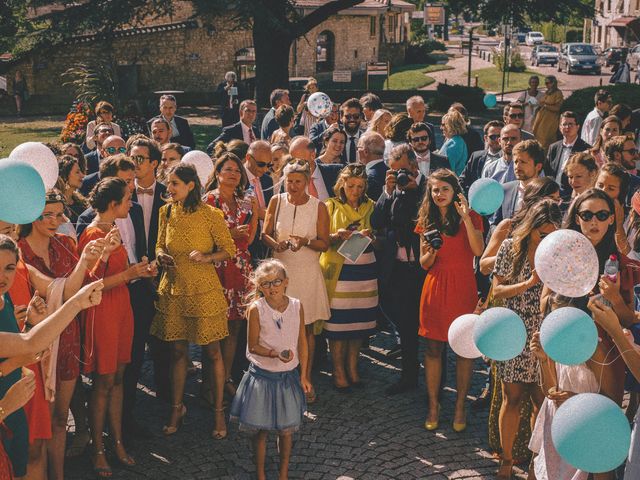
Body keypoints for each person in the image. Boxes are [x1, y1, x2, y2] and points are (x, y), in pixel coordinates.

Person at [0, 234, 104, 480]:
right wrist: (77, 303)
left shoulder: (4, 299)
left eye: (9, 268)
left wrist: (30, 327)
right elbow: (29, 343)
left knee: (20, 463)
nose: (2, 276)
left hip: (13, 404)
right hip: (7, 404)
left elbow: (21, 346)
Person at [79, 177, 155, 477]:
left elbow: (119, 272)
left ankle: (118, 440)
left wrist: (139, 271)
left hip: (122, 307)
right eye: (127, 199)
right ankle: (98, 448)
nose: (132, 203)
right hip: (104, 311)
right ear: (113, 204)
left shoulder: (112, 228)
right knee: (103, 381)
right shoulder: (92, 234)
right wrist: (128, 274)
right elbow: (88, 283)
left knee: (120, 377)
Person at [152, 165, 235, 439]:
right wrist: (162, 255)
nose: (170, 188)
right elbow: (160, 244)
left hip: (203, 289)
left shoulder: (210, 214)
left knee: (212, 353)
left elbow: (228, 250)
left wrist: (208, 257)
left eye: (174, 183)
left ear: (190, 185)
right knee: (177, 352)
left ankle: (219, 412)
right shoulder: (166, 211)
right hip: (175, 288)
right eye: (169, 183)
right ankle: (177, 408)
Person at [15, 191, 90, 480]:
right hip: (37, 346)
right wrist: (85, 263)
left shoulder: (66, 245)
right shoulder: (18, 252)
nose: (56, 221)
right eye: (48, 215)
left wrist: (86, 260)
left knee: (60, 419)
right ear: (32, 216)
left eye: (60, 215)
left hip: (68, 337)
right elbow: (62, 290)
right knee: (41, 426)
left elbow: (76, 293)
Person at [492, 199, 562, 479]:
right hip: (515, 329)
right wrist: (529, 283)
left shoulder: (559, 252)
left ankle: (536, 463)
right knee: (512, 397)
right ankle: (506, 459)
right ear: (531, 227)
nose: (545, 239)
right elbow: (497, 291)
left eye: (551, 233)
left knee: (540, 401)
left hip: (547, 331)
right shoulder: (511, 248)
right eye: (541, 233)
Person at [229, 260, 311, 480]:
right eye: (265, 284)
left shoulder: (296, 306)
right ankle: (261, 474)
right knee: (262, 430)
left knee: (286, 431)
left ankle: (283, 474)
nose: (272, 287)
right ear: (259, 286)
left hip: (288, 378)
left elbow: (302, 341)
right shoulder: (257, 309)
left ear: (286, 282)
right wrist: (275, 354)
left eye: (276, 282)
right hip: (262, 378)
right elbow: (253, 346)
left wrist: (304, 375)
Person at [416, 169, 484, 431]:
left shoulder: (473, 215)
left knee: (463, 351)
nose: (439, 194)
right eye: (434, 190)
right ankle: (434, 404)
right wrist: (431, 253)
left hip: (463, 288)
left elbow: (478, 251)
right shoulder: (427, 218)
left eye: (444, 189)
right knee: (433, 349)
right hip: (435, 287)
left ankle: (459, 406)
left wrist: (466, 218)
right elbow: (423, 264)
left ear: (455, 191)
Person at [261, 160, 330, 403]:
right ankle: (278, 377)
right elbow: (265, 233)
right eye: (289, 181)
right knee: (276, 326)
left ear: (307, 182)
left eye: (297, 181)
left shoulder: (319, 207)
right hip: (281, 273)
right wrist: (274, 243)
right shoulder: (276, 201)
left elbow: (324, 243)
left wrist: (305, 242)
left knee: (306, 329)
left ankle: (305, 379)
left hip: (306, 272)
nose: (292, 185)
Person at [371, 144, 426, 395]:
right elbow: (377, 221)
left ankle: (426, 373)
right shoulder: (393, 191)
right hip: (397, 268)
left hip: (422, 267)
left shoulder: (428, 188)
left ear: (414, 165)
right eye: (394, 171)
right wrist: (388, 190)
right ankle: (409, 374)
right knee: (403, 322)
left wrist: (414, 192)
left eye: (403, 170)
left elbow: (421, 219)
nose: (400, 175)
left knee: (424, 323)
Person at [528, 295, 601, 480]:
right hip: (555, 423)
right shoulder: (556, 345)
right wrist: (543, 360)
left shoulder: (596, 349)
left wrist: (575, 400)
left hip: (584, 430)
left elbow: (613, 400)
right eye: (553, 317)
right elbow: (549, 391)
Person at [204, 153, 258, 397]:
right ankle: (211, 381)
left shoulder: (247, 200)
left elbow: (251, 236)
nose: (233, 173)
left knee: (235, 327)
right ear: (217, 173)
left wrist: (240, 237)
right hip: (217, 268)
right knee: (216, 328)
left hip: (241, 267)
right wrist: (230, 236)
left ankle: (226, 377)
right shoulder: (209, 201)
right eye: (228, 169)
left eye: (237, 170)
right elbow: (204, 238)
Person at [319, 164, 377, 390]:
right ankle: (338, 370)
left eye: (360, 187)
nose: (355, 190)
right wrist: (338, 235)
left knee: (358, 324)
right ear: (342, 184)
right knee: (338, 326)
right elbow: (321, 238)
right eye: (351, 185)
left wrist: (370, 235)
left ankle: (353, 367)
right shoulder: (330, 206)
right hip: (339, 272)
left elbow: (380, 235)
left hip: (364, 273)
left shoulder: (371, 206)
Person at [493, 139, 546, 226]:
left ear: (538, 166)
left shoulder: (548, 192)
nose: (517, 167)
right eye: (516, 162)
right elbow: (495, 223)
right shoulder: (505, 189)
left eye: (523, 162)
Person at [288, 136, 342, 201]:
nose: (295, 166)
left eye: (300, 161)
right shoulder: (288, 181)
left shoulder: (335, 172)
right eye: (292, 161)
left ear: (312, 155)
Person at [459, 120, 504, 195]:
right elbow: (462, 180)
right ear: (485, 138)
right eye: (492, 137)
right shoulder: (476, 157)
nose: (497, 139)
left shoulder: (510, 158)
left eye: (499, 136)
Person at [604, 134, 640, 204]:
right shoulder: (597, 180)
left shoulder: (637, 183)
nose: (637, 156)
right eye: (632, 152)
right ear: (617, 155)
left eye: (636, 152)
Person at [532, 76, 563, 150]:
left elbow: (557, 108)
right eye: (545, 83)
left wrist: (545, 105)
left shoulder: (558, 93)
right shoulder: (547, 92)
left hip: (549, 120)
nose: (546, 85)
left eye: (548, 83)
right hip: (541, 118)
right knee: (537, 138)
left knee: (545, 141)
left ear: (553, 83)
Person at [56, 155, 88, 227]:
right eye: (77, 172)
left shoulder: (82, 202)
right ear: (65, 176)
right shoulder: (56, 205)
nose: (82, 175)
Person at [357, 131, 388, 201]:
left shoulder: (369, 178)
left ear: (366, 152)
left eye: (358, 148)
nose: (357, 151)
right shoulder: (390, 171)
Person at [438, 111, 469, 176]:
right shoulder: (456, 140)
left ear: (451, 125)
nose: (440, 127)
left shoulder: (454, 143)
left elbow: (447, 170)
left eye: (443, 124)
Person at [340, 98, 365, 164]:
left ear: (361, 117)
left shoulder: (367, 140)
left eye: (356, 116)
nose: (352, 119)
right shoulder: (335, 139)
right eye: (348, 116)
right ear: (341, 117)